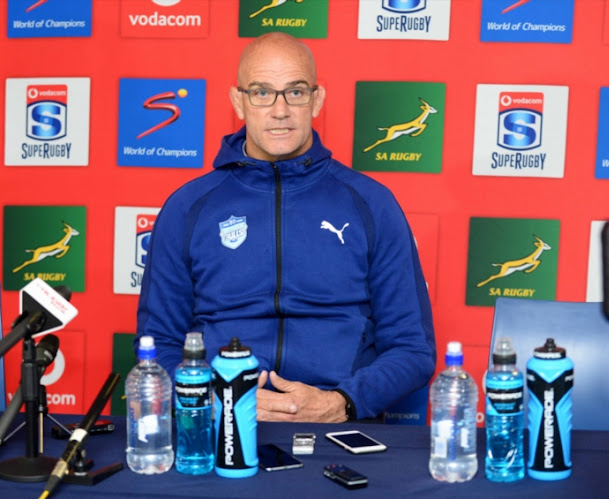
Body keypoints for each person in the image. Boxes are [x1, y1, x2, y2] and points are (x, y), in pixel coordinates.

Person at [135, 32, 435, 423]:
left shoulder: (372, 204)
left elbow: (413, 349)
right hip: (218, 422)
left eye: (295, 92)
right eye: (261, 92)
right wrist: (217, 400)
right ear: (238, 101)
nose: (280, 110)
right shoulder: (187, 208)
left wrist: (341, 403)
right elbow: (159, 344)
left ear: (317, 99)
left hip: (337, 424)